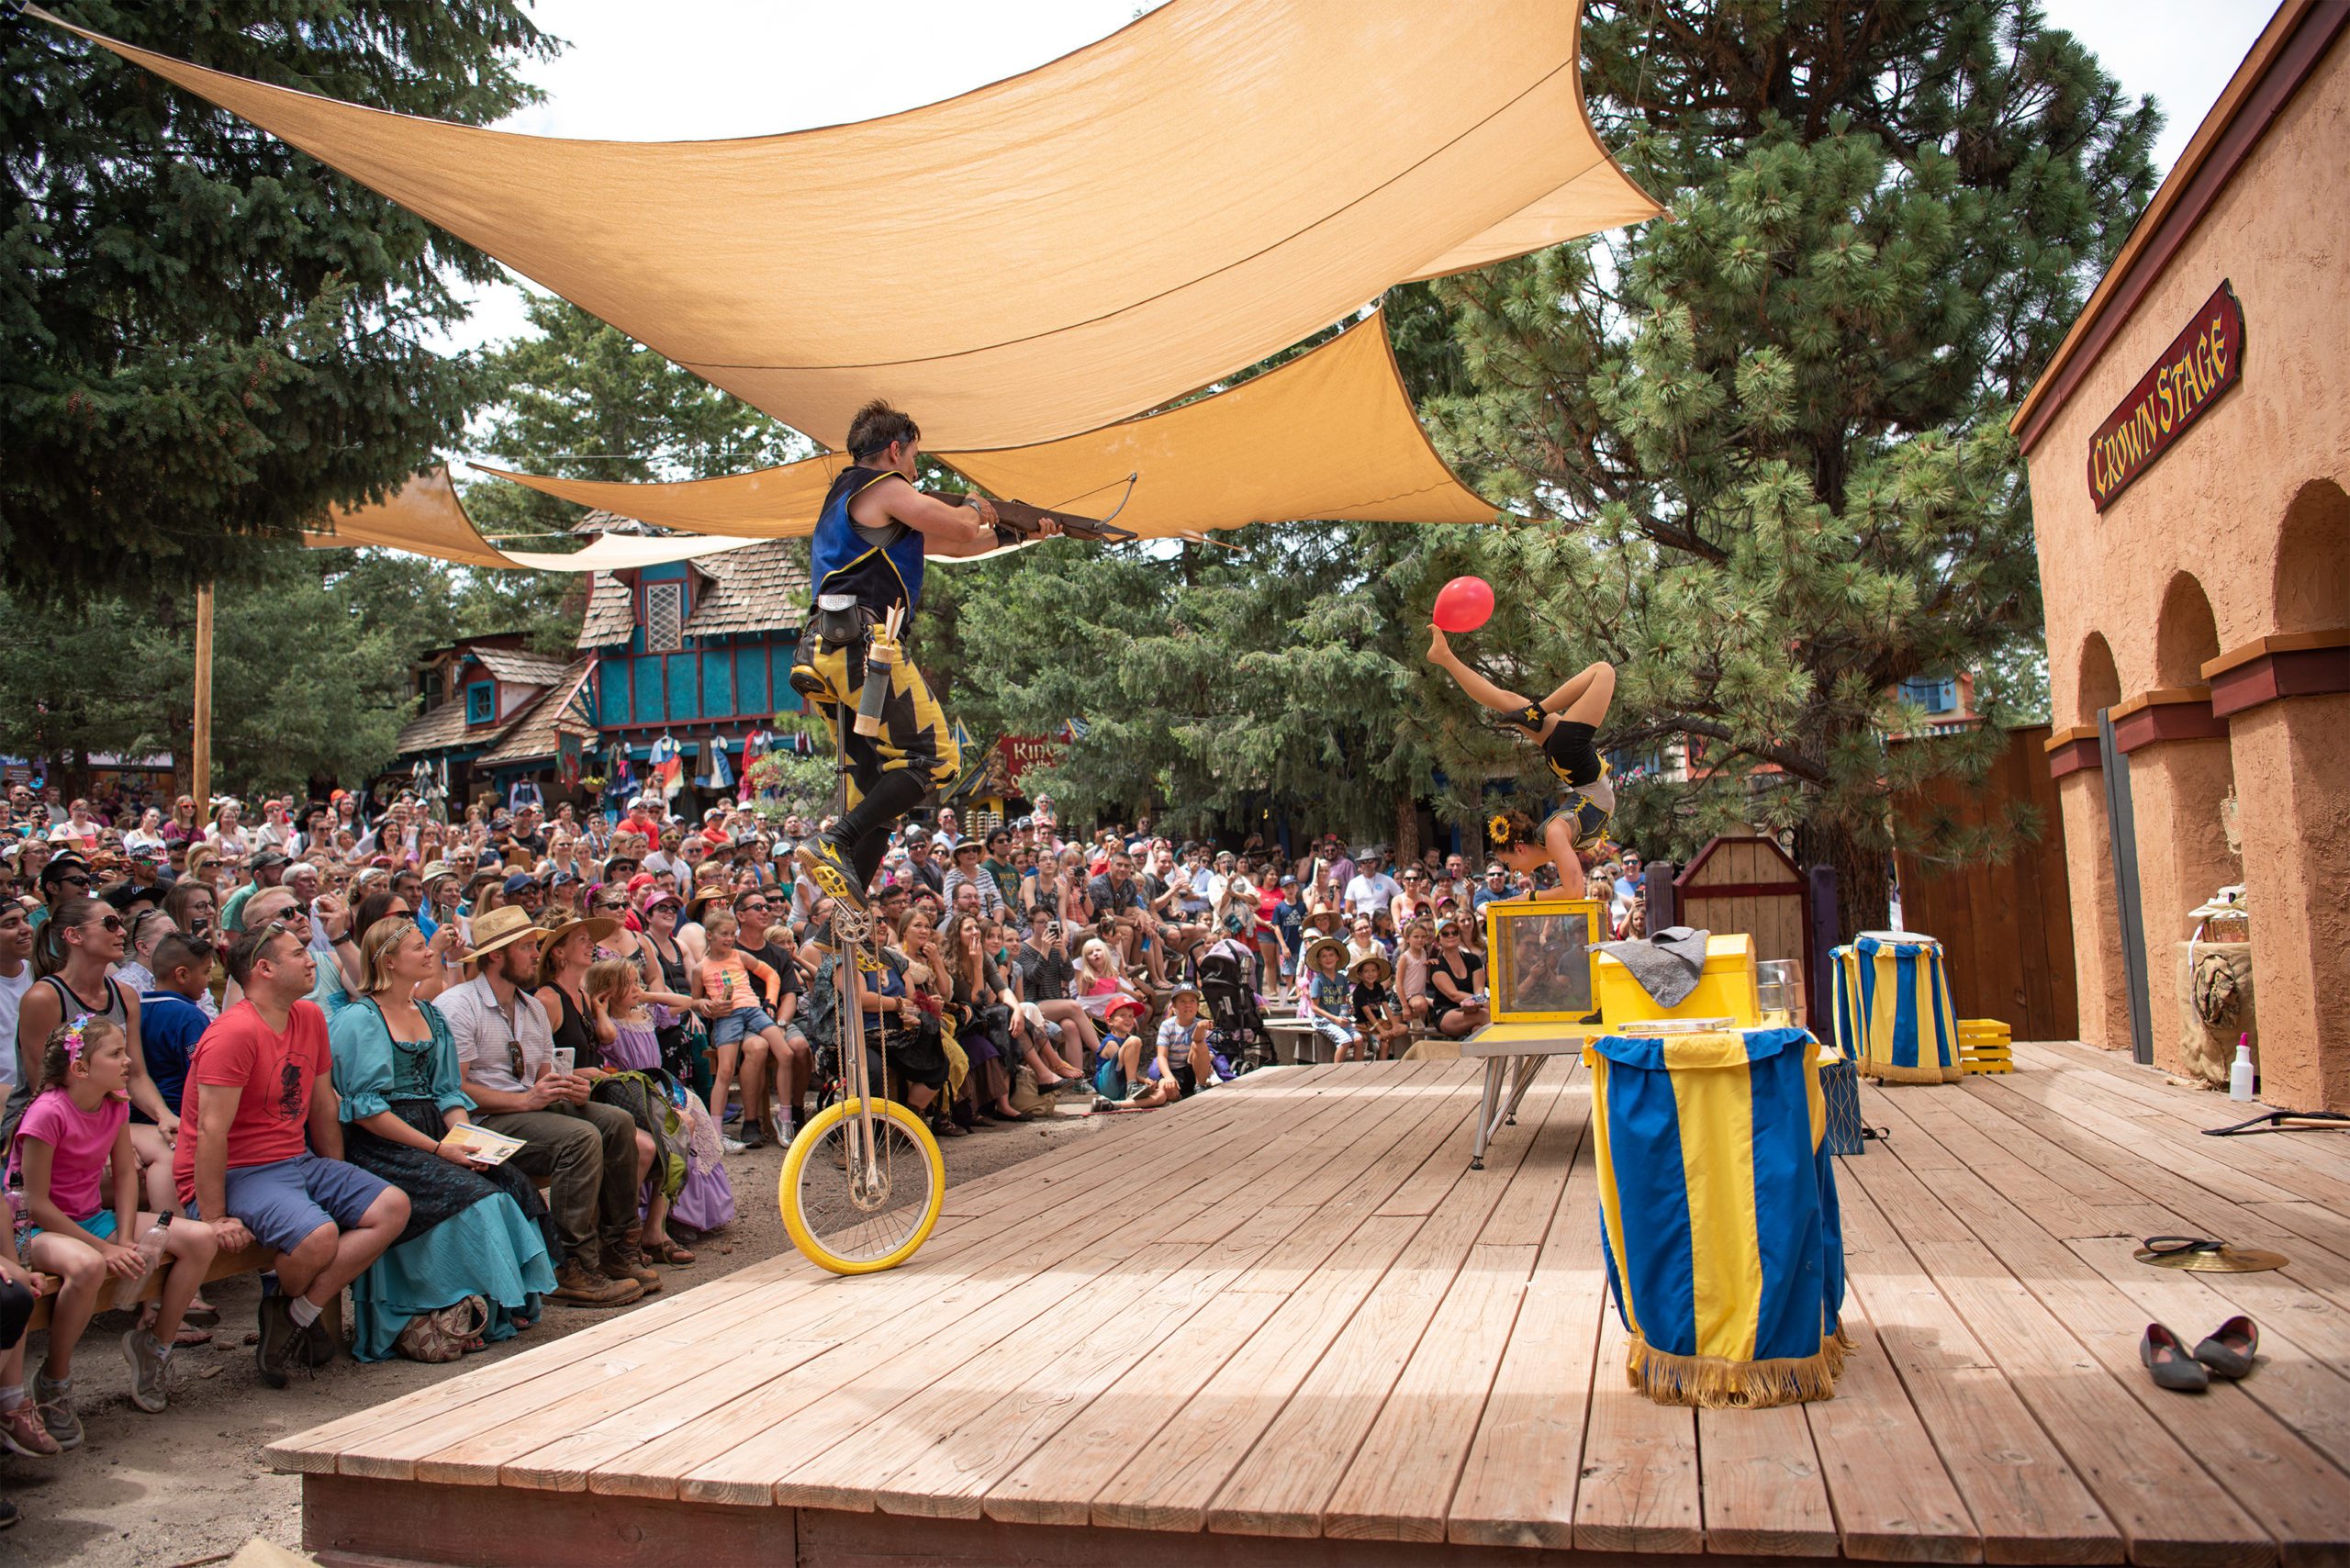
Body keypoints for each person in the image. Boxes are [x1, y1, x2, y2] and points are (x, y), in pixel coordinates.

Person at [793, 401, 1060, 912]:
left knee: (878, 793)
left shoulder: (857, 499)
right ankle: (833, 842)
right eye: (914, 455)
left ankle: (837, 923)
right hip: (863, 646)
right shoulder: (883, 486)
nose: (917, 468)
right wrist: (981, 507)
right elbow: (961, 528)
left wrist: (1019, 529)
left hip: (831, 648)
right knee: (934, 759)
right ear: (895, 449)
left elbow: (961, 546)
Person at [174, 924, 410, 1387]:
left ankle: (292, 1312)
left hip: (295, 1161)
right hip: (241, 1170)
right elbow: (209, 1130)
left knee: (392, 1206)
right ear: (263, 968)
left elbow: (323, 1106)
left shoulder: (309, 1016)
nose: (312, 960)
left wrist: (339, 1176)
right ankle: (293, 1314)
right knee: (319, 1235)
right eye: (299, 953)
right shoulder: (234, 1032)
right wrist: (214, 1216)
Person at [326, 918, 556, 1361]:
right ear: (388, 960)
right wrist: (438, 1149)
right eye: (418, 947)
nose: (430, 952)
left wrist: (466, 1137)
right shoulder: (360, 1019)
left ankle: (495, 1305)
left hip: (434, 1129)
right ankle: (447, 1300)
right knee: (479, 1199)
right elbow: (368, 1110)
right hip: (384, 1143)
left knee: (510, 1182)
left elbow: (448, 1092)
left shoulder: (430, 1014)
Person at [10, 1015, 221, 1439]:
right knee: (88, 1267)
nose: (127, 1061)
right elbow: (34, 1202)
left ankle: (155, 1346)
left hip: (92, 1219)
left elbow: (126, 1176)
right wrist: (104, 1248)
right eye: (115, 1053)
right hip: (31, 1230)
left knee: (200, 1238)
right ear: (80, 1068)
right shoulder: (47, 1113)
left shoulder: (114, 1103)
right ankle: (54, 1380)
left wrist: (124, 1238)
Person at [436, 906, 647, 1307]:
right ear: (497, 955)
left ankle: (617, 1250)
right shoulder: (459, 1004)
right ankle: (570, 1264)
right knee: (581, 1138)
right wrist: (527, 1099)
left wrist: (571, 1089)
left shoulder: (530, 1007)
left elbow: (546, 1075)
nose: (538, 955)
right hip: (484, 1121)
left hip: (529, 1110)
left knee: (616, 1122)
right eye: (529, 947)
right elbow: (455, 1087)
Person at [1427, 627, 1618, 899]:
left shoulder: (1552, 834)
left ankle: (1535, 711)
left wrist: (1521, 899)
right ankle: (1445, 657)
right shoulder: (1552, 837)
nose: (1514, 872)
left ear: (1519, 849)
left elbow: (1574, 891)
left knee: (1603, 671)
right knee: (1505, 700)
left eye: (1508, 864)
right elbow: (1575, 890)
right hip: (1574, 766)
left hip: (1574, 762)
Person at [581, 958, 731, 1250]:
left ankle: (675, 1216)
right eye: (628, 984)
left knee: (690, 1117)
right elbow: (608, 1037)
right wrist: (600, 1007)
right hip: (630, 1092)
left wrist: (645, 994)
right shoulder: (609, 1024)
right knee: (677, 1125)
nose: (636, 989)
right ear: (608, 991)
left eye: (637, 981)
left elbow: (685, 1001)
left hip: (658, 1086)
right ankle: (651, 1220)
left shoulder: (646, 1013)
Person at [693, 908, 784, 1150]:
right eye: (724, 933)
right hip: (726, 1018)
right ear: (709, 935)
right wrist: (706, 1006)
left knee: (784, 1051)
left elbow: (770, 975)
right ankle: (716, 1133)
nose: (729, 938)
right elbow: (695, 1002)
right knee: (724, 1071)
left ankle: (783, 1116)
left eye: (732, 933)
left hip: (752, 1010)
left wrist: (770, 1002)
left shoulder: (739, 956)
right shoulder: (700, 968)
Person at [1298, 936, 1363, 1061]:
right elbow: (1314, 1007)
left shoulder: (1342, 978)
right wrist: (1335, 1019)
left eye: (1331, 955)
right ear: (1319, 960)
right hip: (1324, 1020)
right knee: (1345, 1041)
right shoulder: (1319, 980)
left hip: (1339, 1018)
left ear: (1337, 957)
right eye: (1324, 956)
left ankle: (1357, 1071)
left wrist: (1347, 1011)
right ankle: (1336, 1072)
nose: (1328, 959)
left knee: (1359, 1040)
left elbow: (1344, 1000)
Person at [1150, 983, 1218, 1100]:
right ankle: (1178, 1094)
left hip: (1194, 1071)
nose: (1188, 1005)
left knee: (1198, 1043)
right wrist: (1168, 1077)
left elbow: (1207, 1050)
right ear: (1174, 1007)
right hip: (1174, 1071)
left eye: (1192, 1001)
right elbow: (1161, 1056)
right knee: (1166, 1092)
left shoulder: (1201, 1024)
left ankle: (1200, 1085)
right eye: (1182, 1002)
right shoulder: (1167, 1026)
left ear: (1197, 1005)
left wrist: (1208, 1058)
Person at [1426, 918, 1489, 1039]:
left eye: (1455, 932)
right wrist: (1480, 1001)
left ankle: (1487, 1056)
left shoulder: (1473, 959)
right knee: (1484, 1014)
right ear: (1438, 942)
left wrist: (1477, 1002)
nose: (1451, 936)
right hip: (1447, 1012)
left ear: (1460, 937)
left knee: (1478, 1028)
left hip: (1473, 1008)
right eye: (1445, 934)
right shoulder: (1437, 964)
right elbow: (1453, 995)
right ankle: (1508, 1051)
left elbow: (1479, 989)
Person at [1350, 953, 1411, 1061]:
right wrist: (1381, 1030)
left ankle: (1378, 1040)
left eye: (1373, 971)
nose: (1370, 974)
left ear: (1378, 972)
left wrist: (1394, 1024)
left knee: (1403, 1028)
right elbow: (1368, 1013)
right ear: (1360, 974)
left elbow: (1386, 1007)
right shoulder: (1359, 991)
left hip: (1379, 1021)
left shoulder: (1378, 987)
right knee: (1385, 1042)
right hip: (1366, 1024)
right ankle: (1377, 1038)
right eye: (1366, 971)